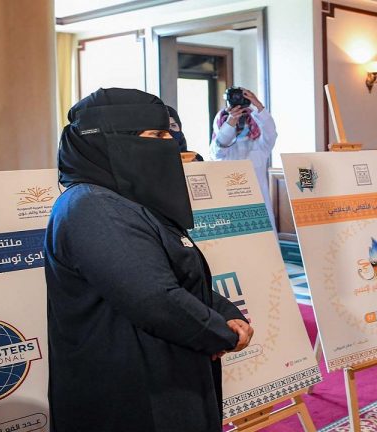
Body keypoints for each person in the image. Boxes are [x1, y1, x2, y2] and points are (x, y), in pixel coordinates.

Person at [45, 88, 254, 432]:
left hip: (166, 371)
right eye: (156, 136)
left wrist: (225, 313)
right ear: (114, 140)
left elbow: (176, 274)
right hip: (129, 391)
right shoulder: (92, 206)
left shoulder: (126, 200)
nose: (170, 144)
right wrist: (219, 333)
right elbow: (153, 298)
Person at [209, 88, 277, 228]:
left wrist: (259, 106)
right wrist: (231, 121)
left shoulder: (259, 146)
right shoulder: (219, 150)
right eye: (229, 121)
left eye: (244, 117)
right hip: (230, 208)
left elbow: (270, 133)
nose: (240, 122)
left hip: (259, 208)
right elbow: (220, 145)